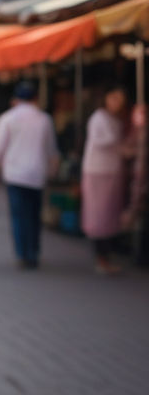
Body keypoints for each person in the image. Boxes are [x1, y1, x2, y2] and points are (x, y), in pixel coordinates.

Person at [0, 81, 59, 269]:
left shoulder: (7, 119)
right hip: (37, 174)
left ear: (15, 99)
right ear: (36, 98)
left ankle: (22, 253)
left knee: (19, 215)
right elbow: (52, 150)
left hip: (14, 174)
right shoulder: (44, 119)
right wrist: (52, 172)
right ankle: (33, 252)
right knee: (34, 215)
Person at [80, 86, 132, 275]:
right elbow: (102, 140)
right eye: (114, 98)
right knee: (100, 213)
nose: (117, 103)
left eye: (120, 99)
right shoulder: (99, 118)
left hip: (112, 171)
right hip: (98, 171)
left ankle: (105, 256)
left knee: (108, 213)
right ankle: (101, 257)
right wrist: (121, 147)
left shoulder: (115, 119)